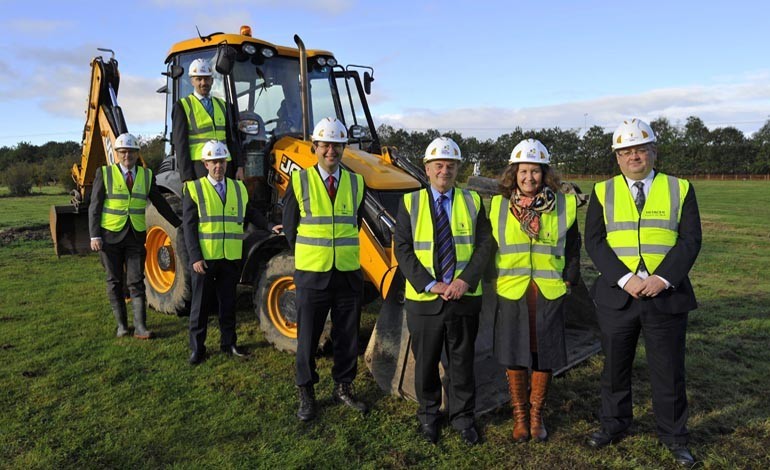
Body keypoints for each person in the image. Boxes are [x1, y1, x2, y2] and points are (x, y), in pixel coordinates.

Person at [584, 119, 702, 466]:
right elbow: (594, 240)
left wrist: (662, 278)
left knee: (668, 370)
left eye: (640, 148)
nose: (633, 156)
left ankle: (674, 435)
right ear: (617, 157)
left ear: (653, 151)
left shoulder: (680, 188)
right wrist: (624, 278)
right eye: (626, 151)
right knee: (614, 368)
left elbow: (690, 239)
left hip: (665, 295)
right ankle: (614, 425)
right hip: (618, 296)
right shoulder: (602, 191)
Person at [394, 137, 495, 446]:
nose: (445, 171)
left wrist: (465, 280)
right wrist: (431, 284)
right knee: (425, 363)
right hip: (426, 300)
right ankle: (428, 415)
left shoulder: (472, 201)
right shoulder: (410, 202)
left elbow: (485, 245)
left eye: (451, 165)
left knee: (463, 362)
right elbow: (403, 249)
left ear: (457, 169)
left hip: (463, 297)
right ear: (427, 169)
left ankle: (463, 417)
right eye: (439, 165)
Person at [491, 139, 581, 443]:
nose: (529, 178)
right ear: (513, 173)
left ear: (545, 173)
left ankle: (536, 414)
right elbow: (488, 244)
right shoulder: (497, 205)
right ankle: (519, 415)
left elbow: (573, 245)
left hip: (548, 288)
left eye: (535, 171)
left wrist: (570, 277)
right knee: (515, 351)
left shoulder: (564, 204)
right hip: (513, 289)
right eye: (523, 171)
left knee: (544, 352)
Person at [282, 117, 368, 421]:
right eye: (325, 144)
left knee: (347, 336)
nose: (331, 150)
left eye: (337, 145)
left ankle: (343, 387)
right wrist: (311, 258)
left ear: (343, 148)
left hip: (346, 273)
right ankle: (306, 392)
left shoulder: (357, 182)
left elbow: (354, 223)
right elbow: (291, 230)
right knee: (308, 338)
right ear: (315, 147)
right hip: (312, 274)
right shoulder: (299, 181)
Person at [89, 132, 181, 339]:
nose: (126, 155)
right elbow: (95, 206)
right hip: (109, 235)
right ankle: (122, 326)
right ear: (117, 153)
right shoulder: (104, 173)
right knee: (114, 281)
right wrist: (95, 235)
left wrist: (178, 224)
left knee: (137, 281)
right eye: (122, 151)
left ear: (137, 153)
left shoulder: (146, 175)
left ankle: (140, 328)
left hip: (136, 236)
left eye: (130, 151)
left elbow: (160, 204)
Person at [183, 140, 259, 365]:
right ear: (205, 164)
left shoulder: (237, 187)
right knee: (200, 306)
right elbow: (188, 226)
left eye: (222, 161)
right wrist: (195, 256)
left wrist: (269, 225)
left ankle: (229, 343)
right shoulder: (194, 189)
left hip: (230, 257)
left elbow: (250, 212)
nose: (218, 166)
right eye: (214, 162)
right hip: (205, 259)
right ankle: (197, 349)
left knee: (228, 303)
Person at [172, 58, 244, 183]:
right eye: (199, 79)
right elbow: (180, 144)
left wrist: (239, 166)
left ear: (212, 80)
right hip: (199, 167)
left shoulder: (223, 105)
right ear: (192, 81)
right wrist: (186, 177)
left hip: (225, 164)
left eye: (206, 78)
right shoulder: (182, 106)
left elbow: (232, 139)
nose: (203, 82)